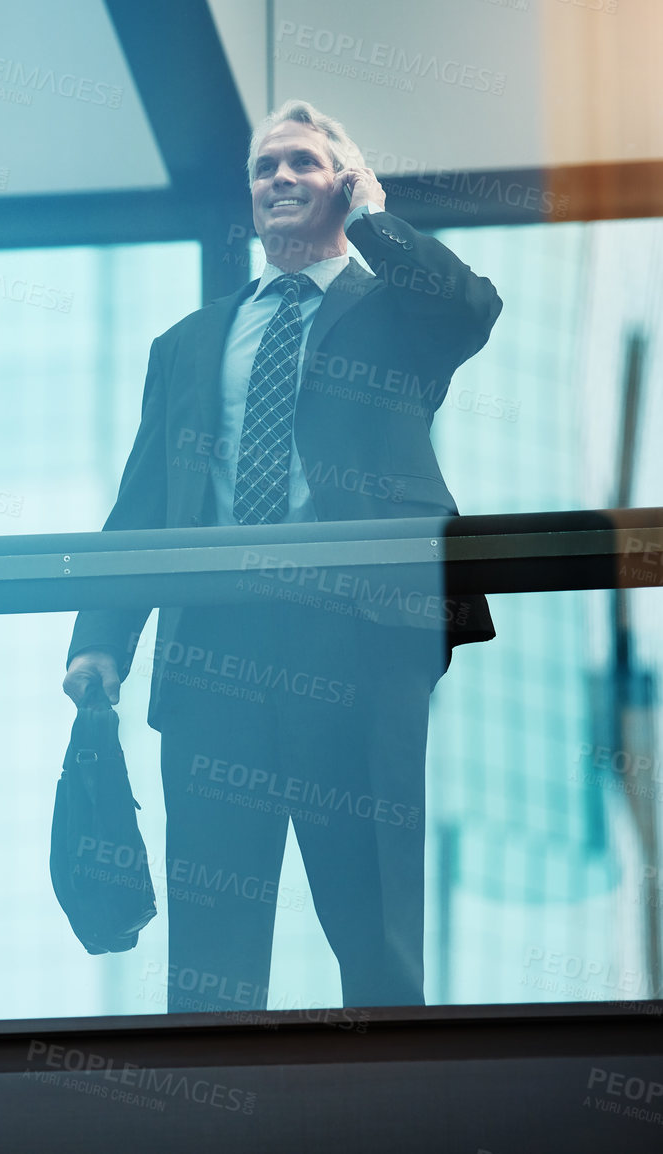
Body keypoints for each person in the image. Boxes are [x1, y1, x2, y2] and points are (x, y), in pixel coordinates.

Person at [62, 100, 501, 1012]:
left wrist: (375, 217)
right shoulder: (186, 345)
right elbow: (142, 505)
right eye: (265, 168)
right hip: (215, 650)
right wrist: (101, 637)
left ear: (344, 179)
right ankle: (214, 1117)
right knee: (211, 959)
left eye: (303, 162)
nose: (279, 180)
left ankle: (395, 1107)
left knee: (376, 926)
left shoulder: (397, 315)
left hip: (359, 638)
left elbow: (470, 309)